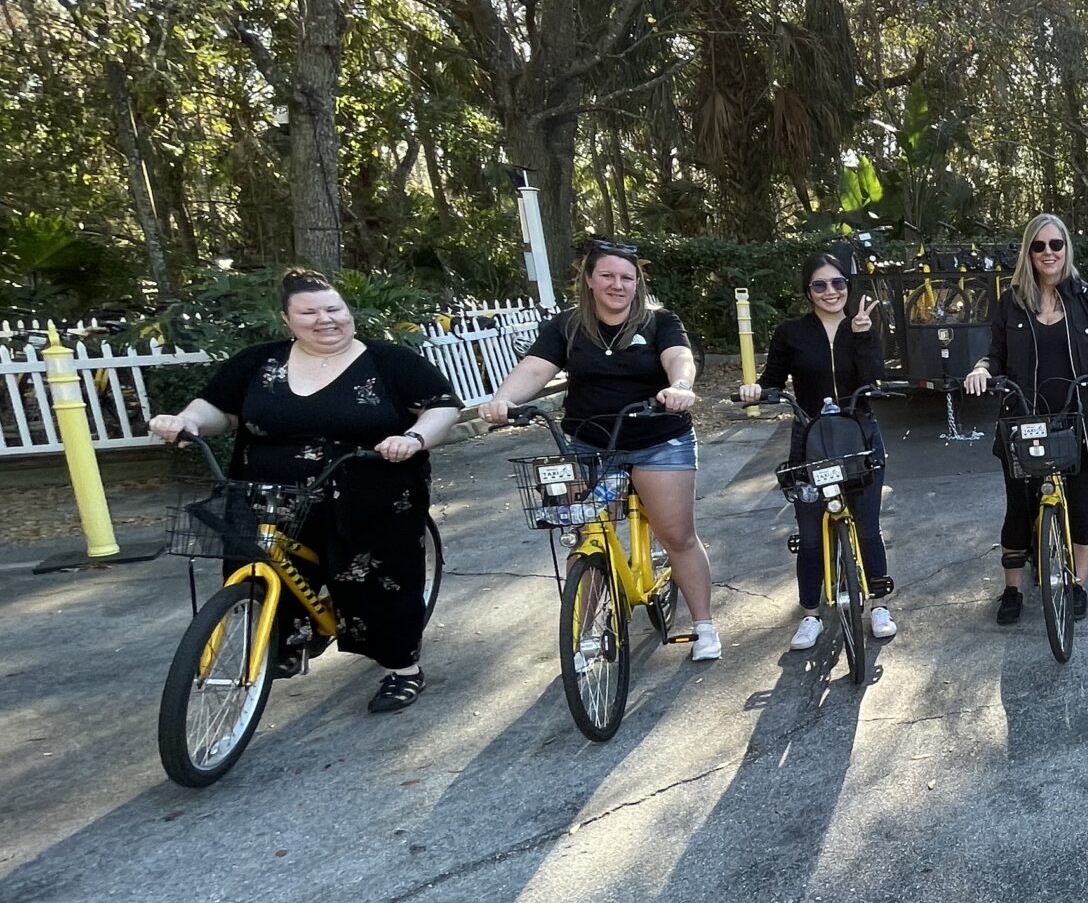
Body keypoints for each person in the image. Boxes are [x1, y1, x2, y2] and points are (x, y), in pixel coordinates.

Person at [149, 270, 460, 713]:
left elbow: (441, 407)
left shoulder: (390, 361)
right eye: (309, 312)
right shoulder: (259, 362)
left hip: (368, 492)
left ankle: (402, 669)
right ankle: (289, 645)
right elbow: (220, 410)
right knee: (260, 569)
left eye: (334, 309)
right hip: (268, 494)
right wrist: (188, 421)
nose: (325, 319)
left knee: (381, 580)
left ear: (348, 312)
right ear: (287, 319)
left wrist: (413, 438)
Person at [478, 239, 720, 660]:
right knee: (587, 536)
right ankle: (585, 633)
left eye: (627, 277)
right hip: (589, 444)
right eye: (607, 275)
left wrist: (680, 386)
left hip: (658, 441)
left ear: (637, 282)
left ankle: (704, 625)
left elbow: (679, 357)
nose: (617, 285)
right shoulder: (568, 326)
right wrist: (503, 399)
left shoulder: (659, 321)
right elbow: (534, 368)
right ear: (589, 279)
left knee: (677, 536)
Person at [963, 214, 1088, 624]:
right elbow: (995, 354)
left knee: (1083, 503)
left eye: (1056, 244)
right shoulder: (1011, 302)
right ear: (1029, 252)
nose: (1048, 253)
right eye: (1039, 246)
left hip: (1083, 418)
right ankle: (1013, 589)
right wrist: (981, 369)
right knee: (1019, 508)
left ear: (1066, 248)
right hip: (1025, 419)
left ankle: (1077, 584)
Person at [740, 251, 896, 649]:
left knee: (867, 526)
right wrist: (758, 390)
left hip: (858, 434)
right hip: (810, 439)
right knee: (810, 533)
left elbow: (876, 380)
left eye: (838, 283)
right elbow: (772, 380)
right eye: (820, 285)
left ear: (848, 286)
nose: (831, 291)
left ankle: (879, 605)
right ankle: (810, 614)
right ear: (808, 291)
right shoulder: (791, 332)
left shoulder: (861, 325)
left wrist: (862, 336)